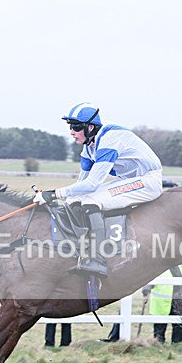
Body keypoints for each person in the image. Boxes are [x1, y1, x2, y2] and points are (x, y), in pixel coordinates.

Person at [34, 102, 163, 277]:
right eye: (70, 127)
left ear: (91, 127)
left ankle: (98, 259)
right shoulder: (88, 147)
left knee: (91, 200)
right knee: (75, 200)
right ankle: (81, 249)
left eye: (76, 127)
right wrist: (56, 197)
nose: (72, 131)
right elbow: (82, 183)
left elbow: (92, 184)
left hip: (148, 181)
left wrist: (54, 193)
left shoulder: (110, 138)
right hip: (132, 180)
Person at [149, 265, 182, 344]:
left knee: (178, 324)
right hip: (162, 302)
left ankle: (177, 343)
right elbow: (149, 280)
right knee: (160, 325)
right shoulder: (158, 265)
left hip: (178, 301)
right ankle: (158, 343)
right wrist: (146, 291)